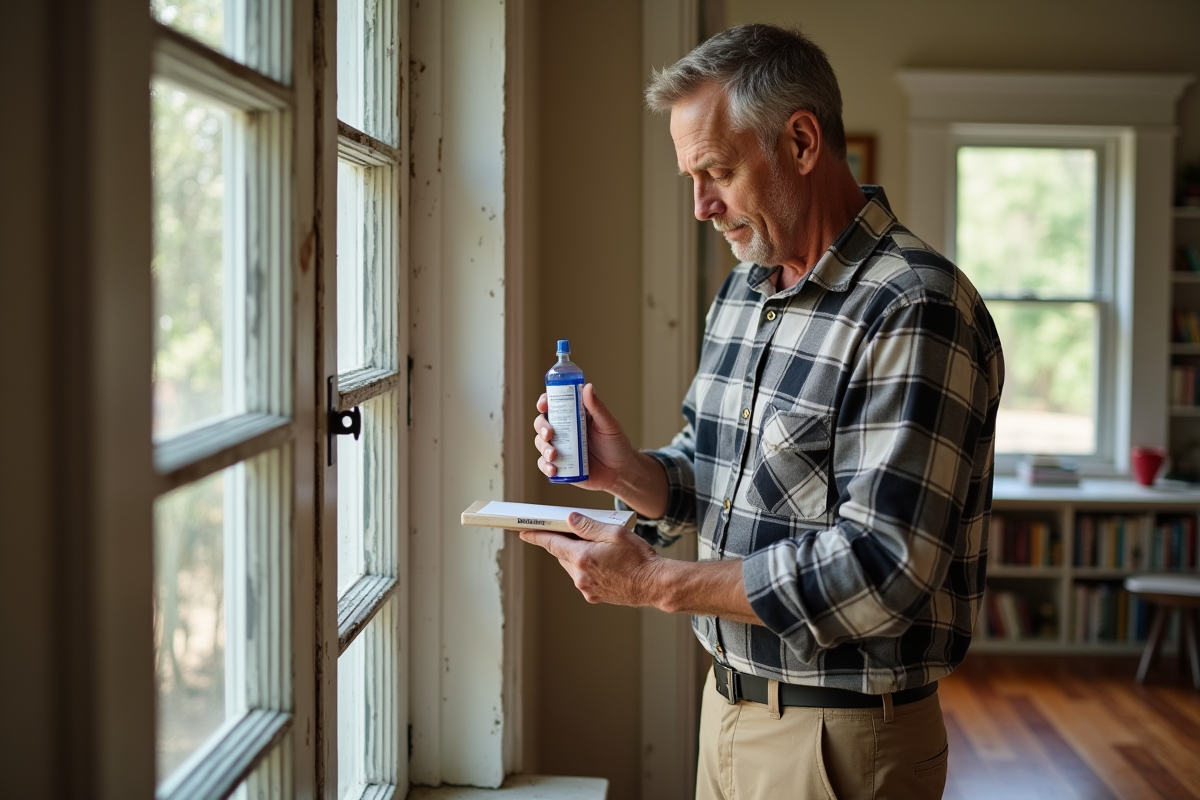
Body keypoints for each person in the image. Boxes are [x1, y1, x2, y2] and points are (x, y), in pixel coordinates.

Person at [523, 22, 1003, 800]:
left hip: (841, 738)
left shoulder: (914, 306)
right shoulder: (747, 293)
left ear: (803, 142)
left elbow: (882, 571)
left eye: (715, 171)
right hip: (728, 711)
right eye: (691, 177)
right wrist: (634, 473)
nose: (701, 206)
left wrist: (656, 582)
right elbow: (720, 476)